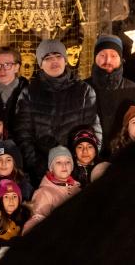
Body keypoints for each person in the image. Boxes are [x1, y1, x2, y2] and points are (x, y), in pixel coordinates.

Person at [14, 39, 101, 184]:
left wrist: (81, 163)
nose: (54, 61)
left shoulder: (84, 91)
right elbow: (23, 134)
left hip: (77, 172)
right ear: (41, 64)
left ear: (65, 60)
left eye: (58, 56)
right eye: (47, 58)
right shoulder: (28, 93)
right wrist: (41, 167)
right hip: (43, 174)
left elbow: (94, 130)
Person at [85, 34, 135, 155]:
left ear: (121, 59)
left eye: (113, 55)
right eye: (102, 55)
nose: (108, 61)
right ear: (95, 58)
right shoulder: (82, 89)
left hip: (125, 160)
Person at [23, 146, 81, 234]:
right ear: (51, 168)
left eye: (68, 162)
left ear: (72, 166)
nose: (64, 165)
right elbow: (36, 220)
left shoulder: (77, 188)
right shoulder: (44, 193)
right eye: (58, 162)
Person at [0, 179, 31, 244]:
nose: (11, 200)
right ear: (0, 201)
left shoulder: (27, 217)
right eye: (6, 197)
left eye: (14, 196)